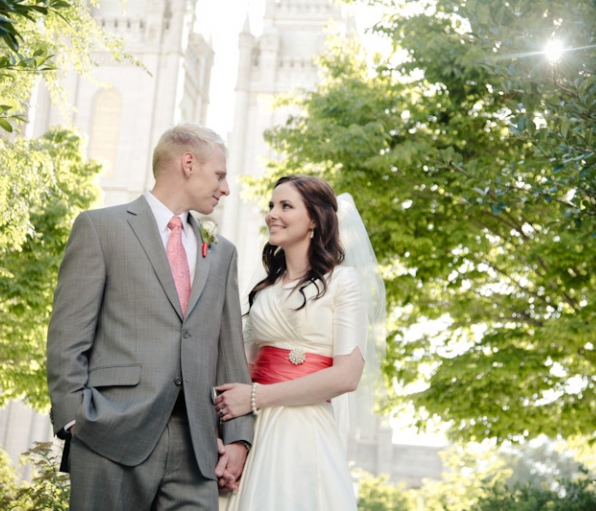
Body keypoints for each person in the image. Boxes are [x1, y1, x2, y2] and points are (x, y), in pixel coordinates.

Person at [47, 123, 255, 510]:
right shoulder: (101, 228)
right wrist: (77, 419)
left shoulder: (221, 250)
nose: (225, 188)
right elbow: (67, 337)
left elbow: (229, 350)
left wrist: (239, 438)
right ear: (188, 163)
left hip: (196, 447)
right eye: (220, 175)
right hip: (110, 433)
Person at [214, 175, 385, 511]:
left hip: (305, 429)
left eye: (286, 206)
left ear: (313, 220)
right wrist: (231, 436)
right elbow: (241, 365)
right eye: (271, 206)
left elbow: (346, 377)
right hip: (255, 428)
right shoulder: (264, 291)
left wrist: (256, 396)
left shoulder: (343, 283)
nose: (272, 214)